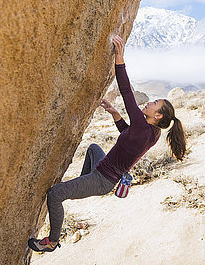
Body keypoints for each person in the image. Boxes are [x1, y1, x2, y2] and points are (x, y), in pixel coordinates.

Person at [28, 34, 186, 252]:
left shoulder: (143, 126)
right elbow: (128, 137)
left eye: (153, 104)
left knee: (55, 194)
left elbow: (126, 92)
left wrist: (119, 59)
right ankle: (79, 185)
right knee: (93, 149)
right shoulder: (152, 132)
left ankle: (52, 241)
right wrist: (115, 114)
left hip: (102, 180)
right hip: (103, 172)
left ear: (158, 115)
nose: (149, 103)